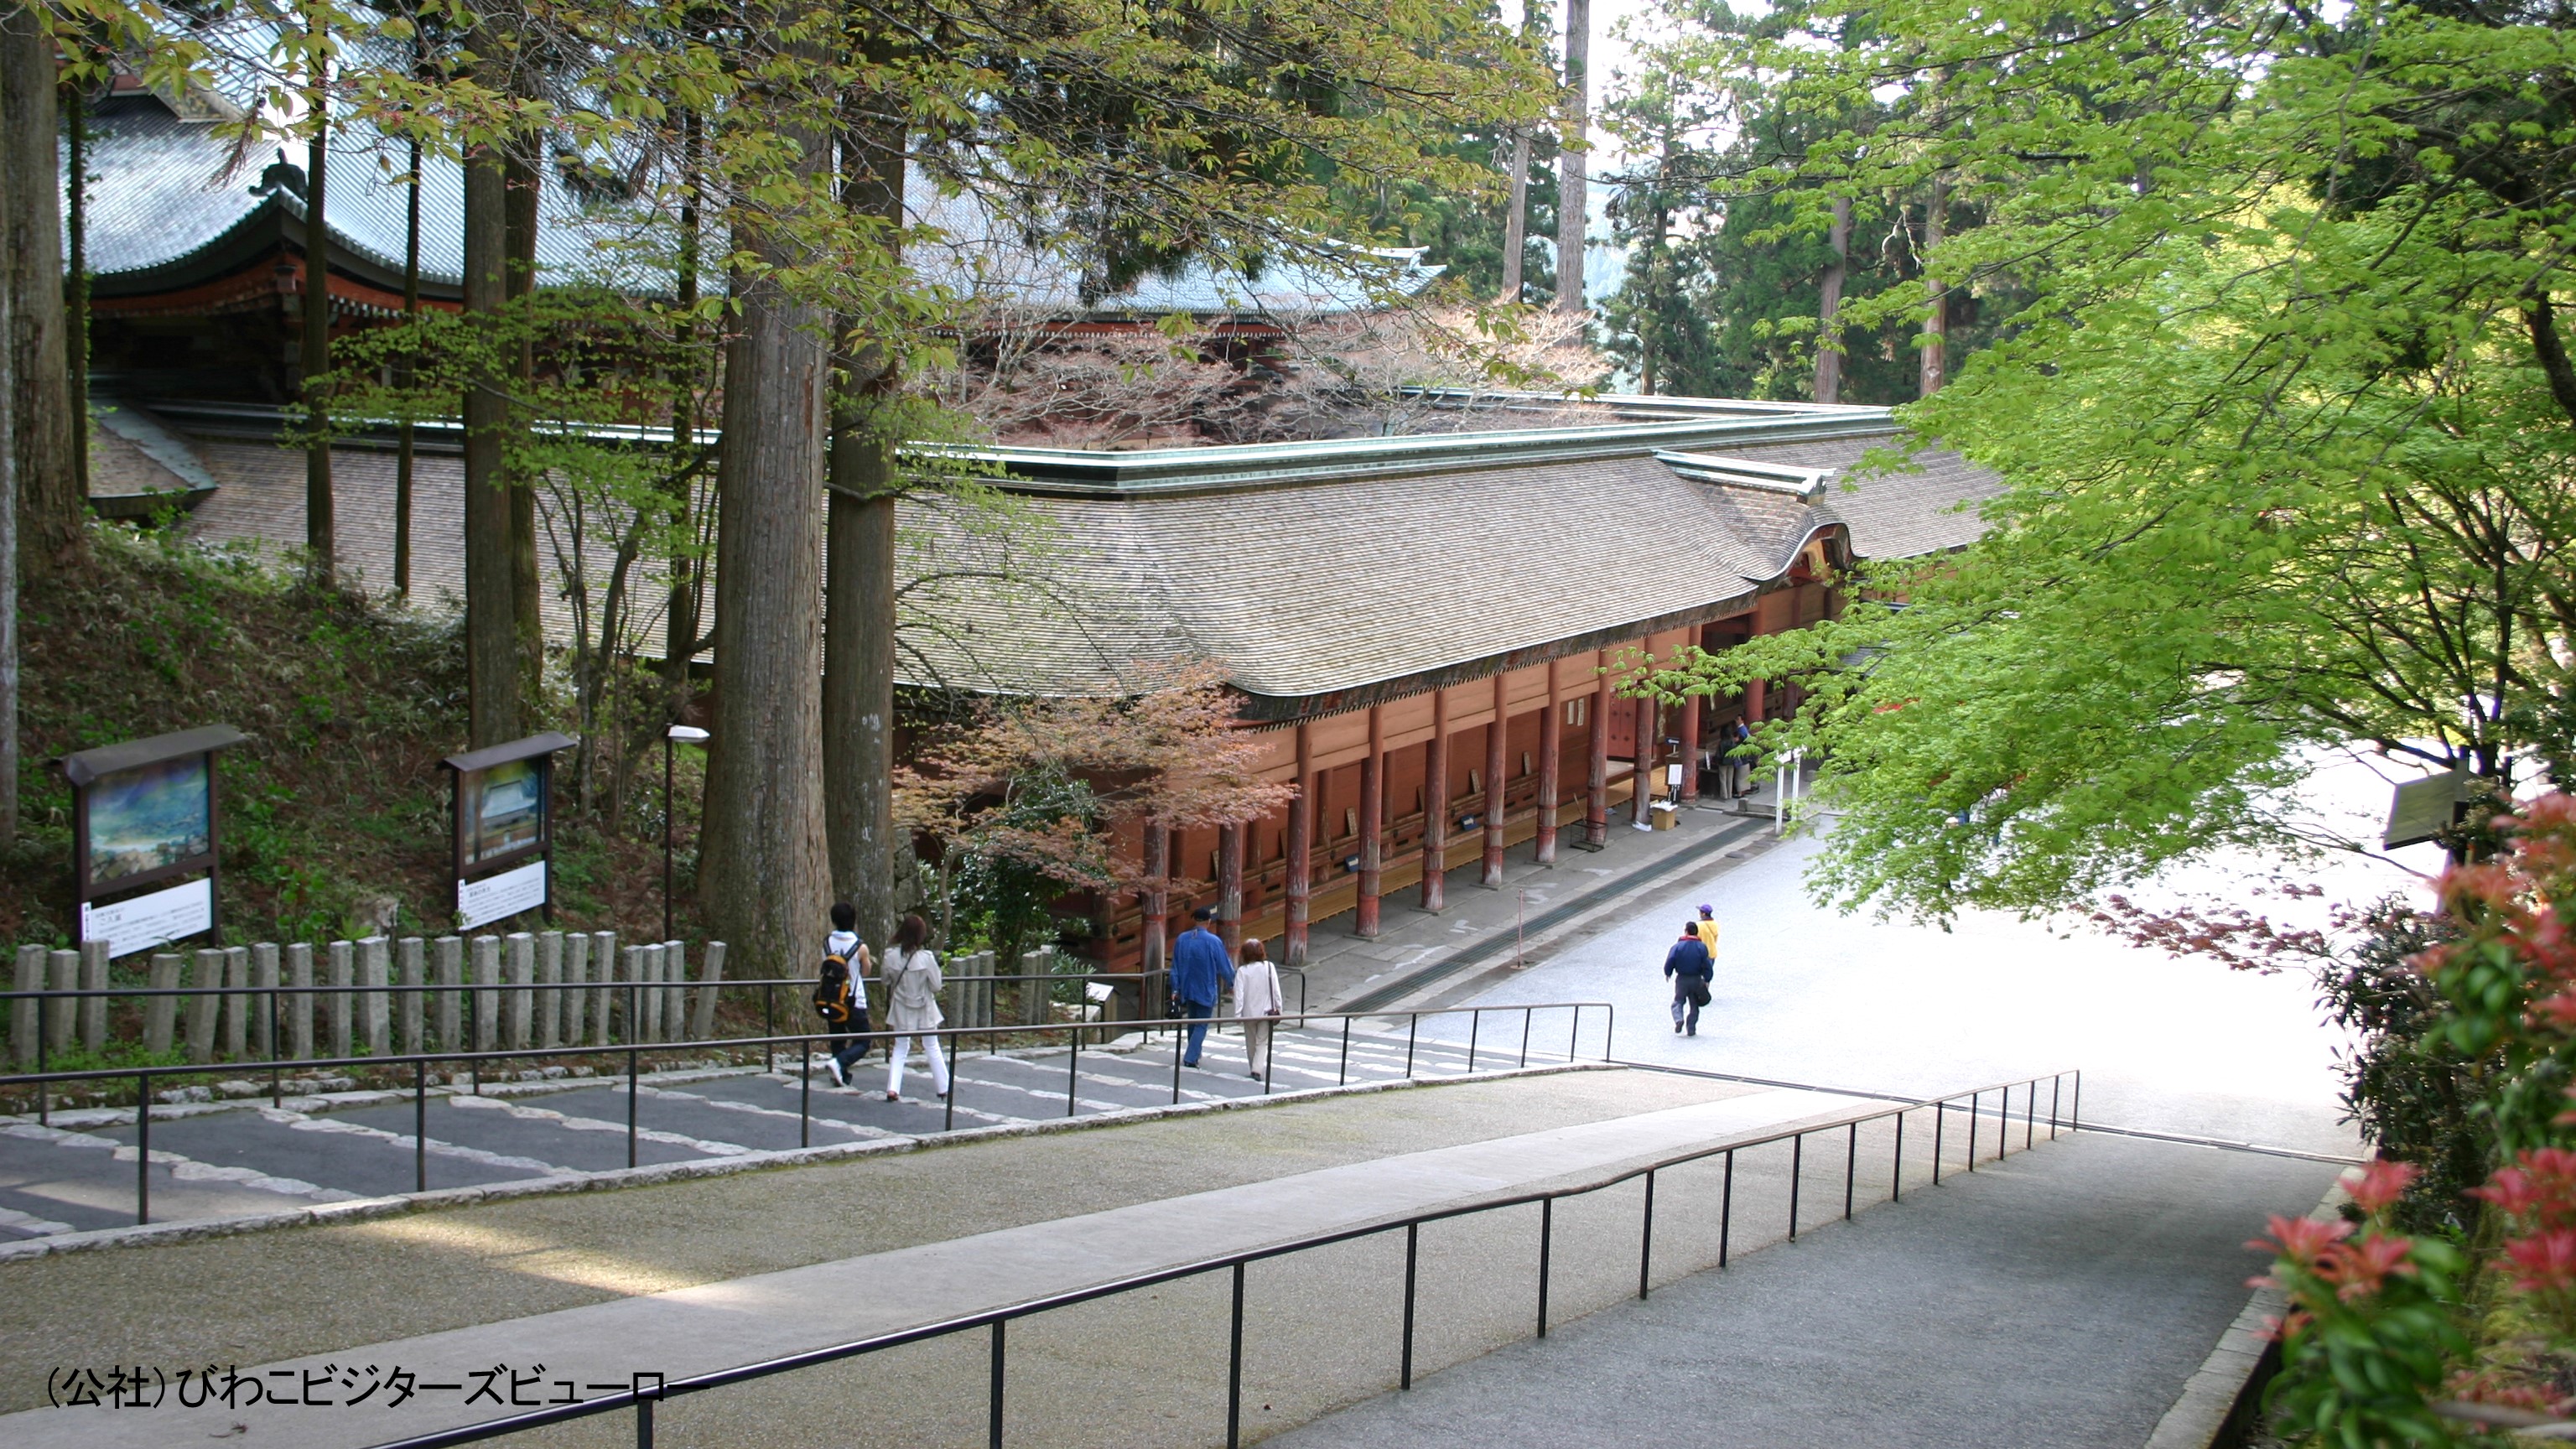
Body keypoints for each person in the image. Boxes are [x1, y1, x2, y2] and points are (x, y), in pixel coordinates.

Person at [881, 913, 950, 1102]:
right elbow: (936, 985)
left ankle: (893, 1088)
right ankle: (944, 1087)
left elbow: (885, 980)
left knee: (901, 1046)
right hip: (924, 1006)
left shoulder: (890, 955)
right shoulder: (926, 958)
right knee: (931, 1045)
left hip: (901, 1006)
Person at [815, 902, 875, 1088]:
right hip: (854, 1000)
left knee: (837, 1037)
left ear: (833, 920)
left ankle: (839, 1074)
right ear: (853, 920)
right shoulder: (860, 947)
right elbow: (866, 972)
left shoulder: (827, 943)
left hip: (831, 998)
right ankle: (840, 1063)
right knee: (864, 1041)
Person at [1169, 906, 1235, 1068]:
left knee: (1192, 1020)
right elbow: (1224, 966)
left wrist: (1175, 988)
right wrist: (1231, 983)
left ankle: (1195, 1052)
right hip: (1205, 986)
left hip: (1187, 986)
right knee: (1202, 1024)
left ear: (1194, 920)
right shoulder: (1213, 941)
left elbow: (1175, 966)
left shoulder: (1182, 939)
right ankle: (1191, 1057)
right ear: (1208, 921)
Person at [1232, 938, 1285, 1080]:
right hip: (1266, 1011)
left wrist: (1237, 1014)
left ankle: (1253, 1066)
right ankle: (1257, 1069)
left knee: (1250, 1041)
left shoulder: (1243, 971)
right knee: (1262, 1042)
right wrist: (1279, 1008)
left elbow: (1239, 994)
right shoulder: (1269, 967)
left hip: (1248, 1013)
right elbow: (1276, 990)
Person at [1664, 922, 1713, 1036]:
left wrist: (1668, 972)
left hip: (1682, 979)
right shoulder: (1702, 947)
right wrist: (1707, 978)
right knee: (1694, 1005)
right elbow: (1707, 964)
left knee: (1678, 1001)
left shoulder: (1677, 947)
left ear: (1686, 931)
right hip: (1696, 979)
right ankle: (1691, 1027)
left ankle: (1678, 1019)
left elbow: (1671, 960)